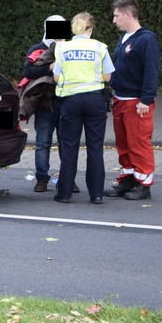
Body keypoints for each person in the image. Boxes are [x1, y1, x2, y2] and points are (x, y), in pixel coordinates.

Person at [51, 12, 113, 204]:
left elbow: (56, 77)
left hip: (70, 102)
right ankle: (96, 194)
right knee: (95, 147)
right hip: (95, 101)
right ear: (91, 28)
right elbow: (108, 77)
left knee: (69, 147)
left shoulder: (61, 48)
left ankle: (64, 194)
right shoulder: (100, 47)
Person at [105, 0, 160, 201]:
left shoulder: (146, 39)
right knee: (124, 144)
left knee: (138, 143)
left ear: (128, 14)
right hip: (120, 99)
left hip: (136, 101)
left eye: (116, 15)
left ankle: (143, 185)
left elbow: (151, 71)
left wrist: (146, 100)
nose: (114, 20)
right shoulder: (125, 38)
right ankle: (128, 179)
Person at [19, 15, 69, 193]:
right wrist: (49, 67)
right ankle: (42, 179)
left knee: (66, 143)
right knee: (42, 143)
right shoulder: (38, 49)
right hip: (44, 103)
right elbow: (28, 71)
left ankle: (68, 178)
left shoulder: (69, 48)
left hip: (65, 103)